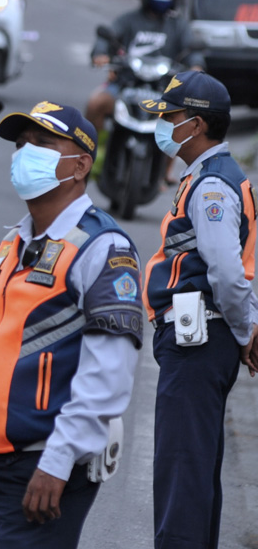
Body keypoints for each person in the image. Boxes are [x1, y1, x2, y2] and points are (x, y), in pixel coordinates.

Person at [0, 101, 142, 548]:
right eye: (21, 144)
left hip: (43, 468)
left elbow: (108, 377)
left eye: (42, 143)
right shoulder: (14, 243)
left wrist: (56, 463)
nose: (24, 153)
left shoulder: (103, 248)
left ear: (79, 166)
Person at [139, 70, 258, 549]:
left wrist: (247, 329)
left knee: (182, 471)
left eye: (173, 115)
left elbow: (228, 274)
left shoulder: (212, 187)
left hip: (199, 340)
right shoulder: (212, 178)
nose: (165, 124)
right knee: (195, 471)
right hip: (204, 339)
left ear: (198, 124)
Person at [85, 0, 205, 184]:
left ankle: (165, 171)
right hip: (125, 86)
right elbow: (106, 38)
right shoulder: (128, 20)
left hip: (164, 92)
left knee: (184, 120)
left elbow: (193, 51)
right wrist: (101, 55)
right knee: (96, 103)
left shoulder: (179, 26)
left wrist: (196, 67)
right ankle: (94, 153)